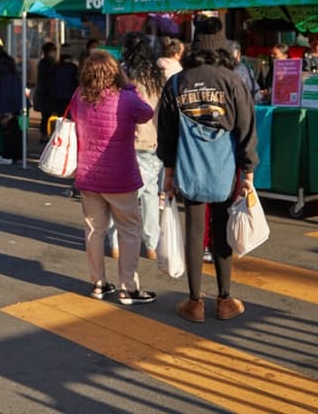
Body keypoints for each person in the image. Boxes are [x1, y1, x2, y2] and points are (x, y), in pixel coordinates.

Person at [156, 17, 258, 323]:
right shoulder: (233, 81)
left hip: (189, 168)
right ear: (222, 45)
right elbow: (246, 130)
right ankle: (225, 300)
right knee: (222, 230)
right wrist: (248, 173)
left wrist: (169, 173)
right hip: (225, 170)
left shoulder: (177, 82)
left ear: (194, 44)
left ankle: (195, 302)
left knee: (194, 230)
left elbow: (167, 133)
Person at [68, 50, 157, 305]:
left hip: (88, 176)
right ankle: (128, 287)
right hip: (120, 176)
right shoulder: (126, 98)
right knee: (129, 230)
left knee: (94, 231)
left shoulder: (79, 95)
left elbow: (74, 117)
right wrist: (130, 87)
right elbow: (147, 114)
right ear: (115, 72)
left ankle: (98, 283)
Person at [106, 33, 166, 261]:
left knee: (121, 193)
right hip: (153, 139)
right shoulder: (157, 76)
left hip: (125, 139)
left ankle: (115, 241)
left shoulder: (122, 74)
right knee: (150, 193)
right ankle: (151, 243)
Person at [0, 40, 23, 166]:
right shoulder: (9, 63)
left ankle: (7, 156)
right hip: (15, 99)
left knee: (8, 130)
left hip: (4, 101)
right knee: (14, 128)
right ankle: (18, 155)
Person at [32, 42, 57, 142]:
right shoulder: (49, 63)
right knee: (47, 115)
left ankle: (44, 134)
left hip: (43, 93)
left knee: (45, 116)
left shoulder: (43, 62)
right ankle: (45, 135)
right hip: (47, 93)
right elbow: (49, 79)